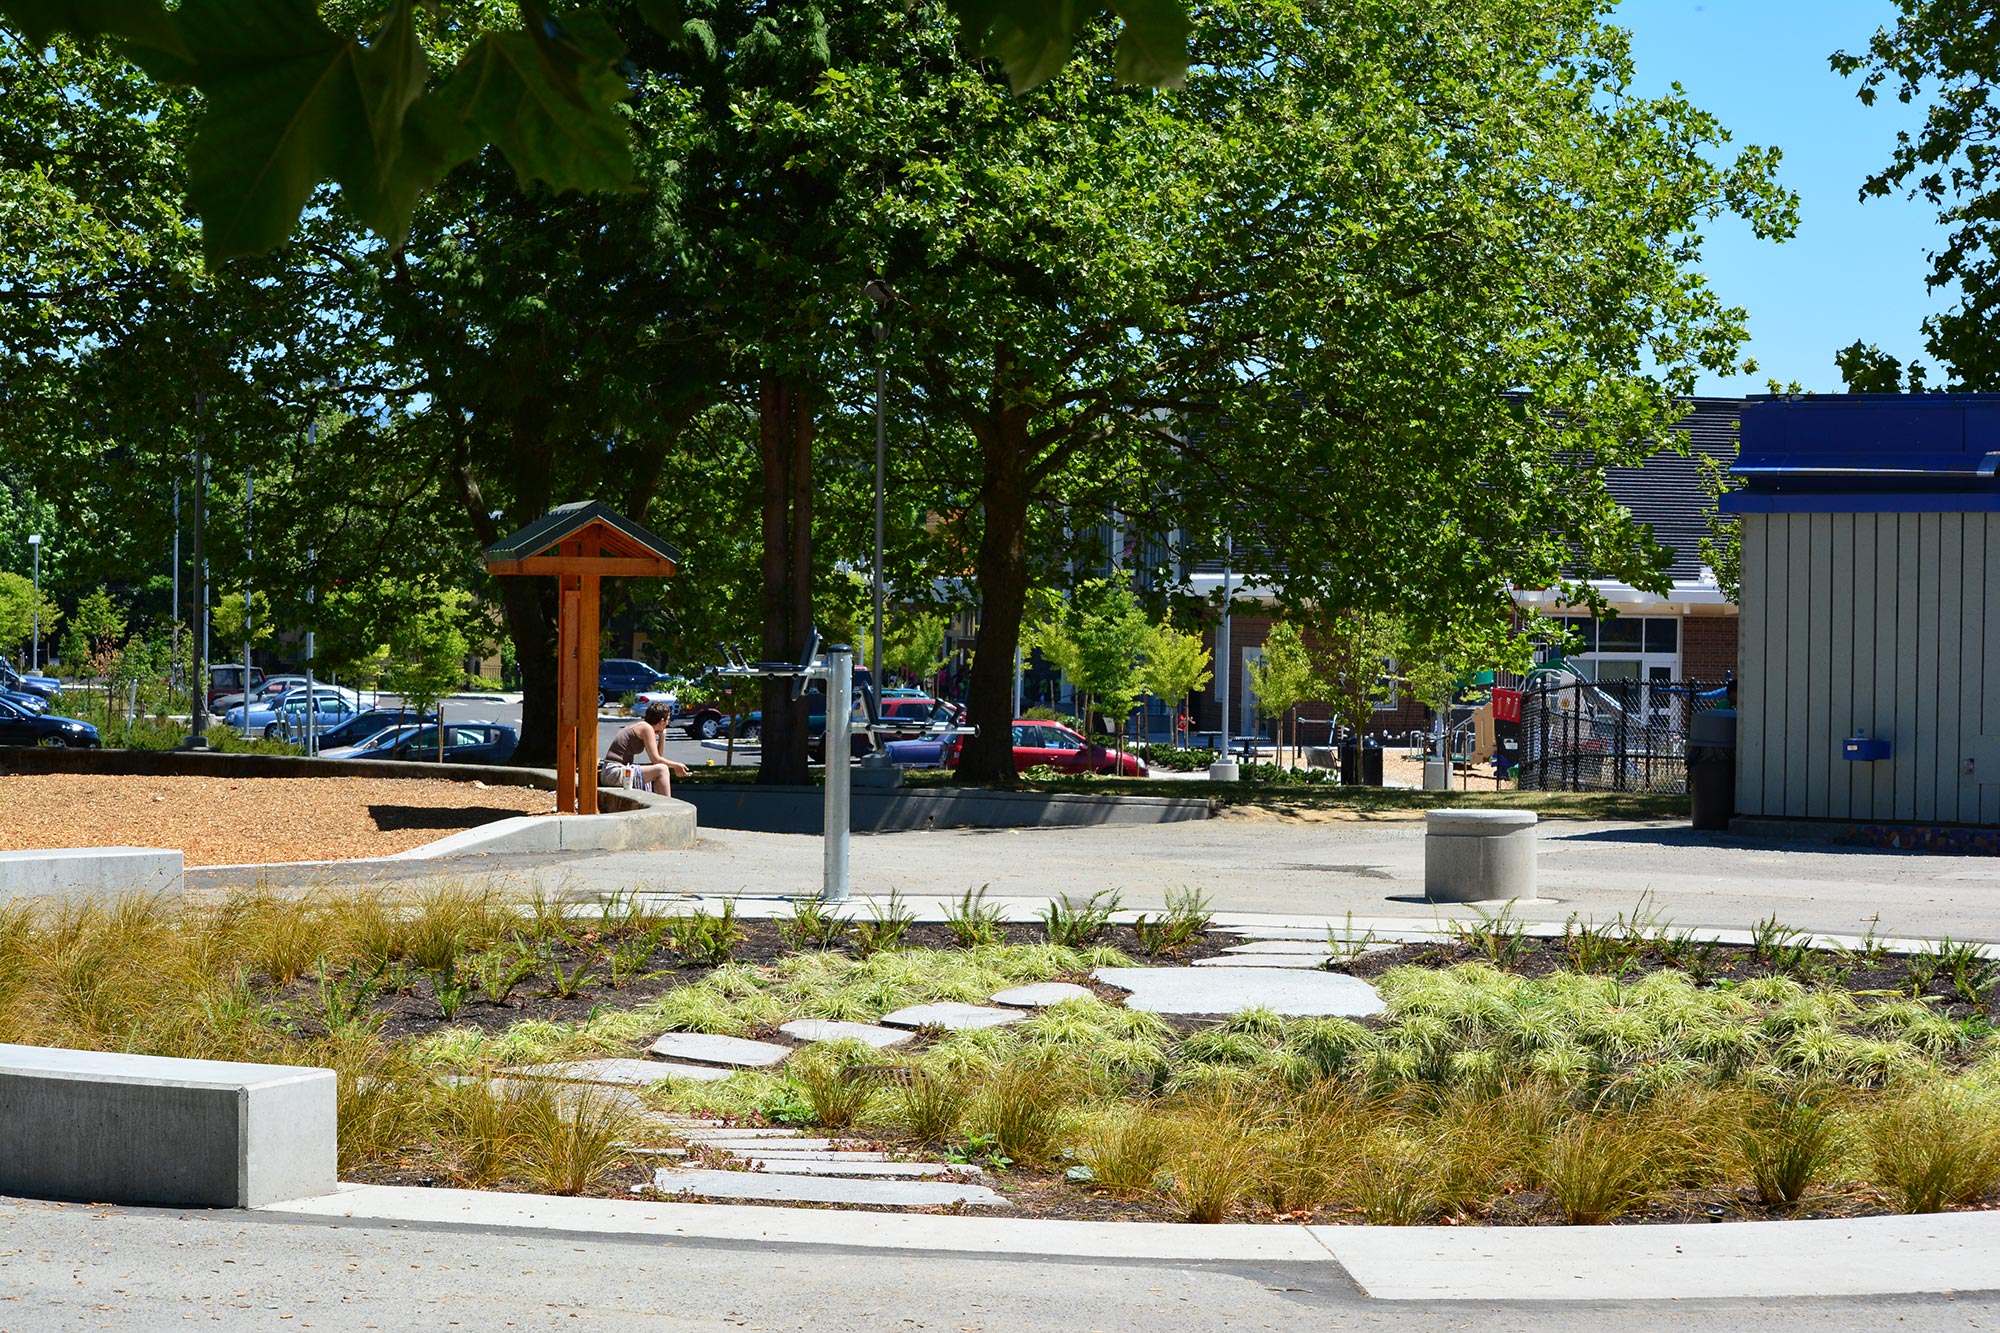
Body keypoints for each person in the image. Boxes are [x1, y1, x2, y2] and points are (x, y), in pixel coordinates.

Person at [602, 702, 690, 794]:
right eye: (668, 719)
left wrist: (662, 737)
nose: (668, 723)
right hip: (613, 772)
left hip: (618, 771)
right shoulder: (646, 728)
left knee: (660, 768)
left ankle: (660, 803)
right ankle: (666, 806)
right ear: (662, 721)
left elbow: (657, 760)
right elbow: (656, 759)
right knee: (662, 769)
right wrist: (676, 765)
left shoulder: (645, 727)